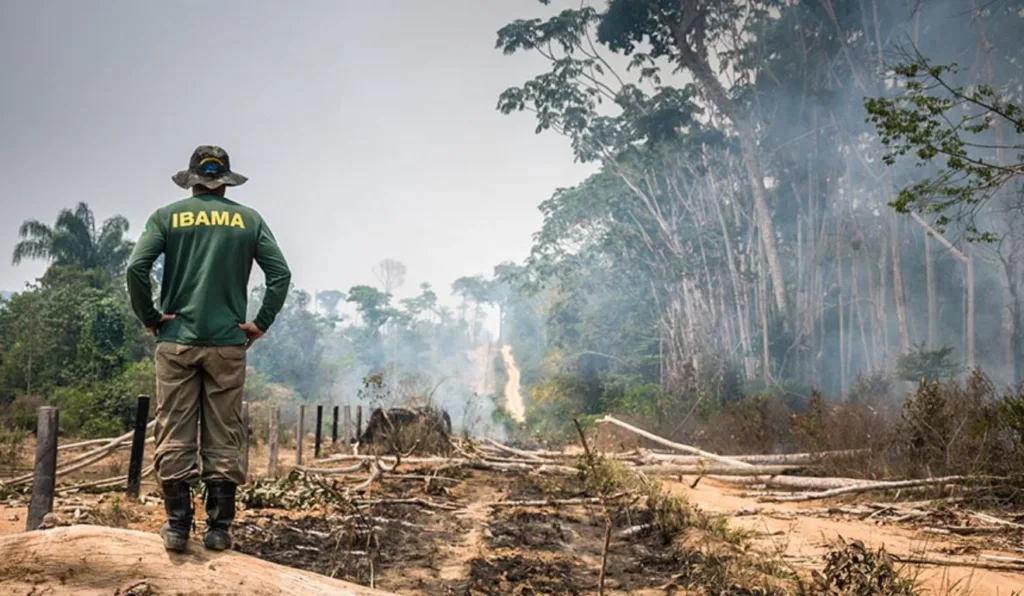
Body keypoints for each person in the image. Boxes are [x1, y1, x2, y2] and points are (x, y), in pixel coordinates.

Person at [125, 145, 291, 553]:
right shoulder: (249, 220)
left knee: (174, 428)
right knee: (224, 430)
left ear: (193, 179)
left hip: (177, 341)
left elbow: (135, 268)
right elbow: (280, 274)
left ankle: (178, 528)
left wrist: (150, 317)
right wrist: (260, 323)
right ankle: (218, 529)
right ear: (226, 181)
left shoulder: (166, 217)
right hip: (228, 344)